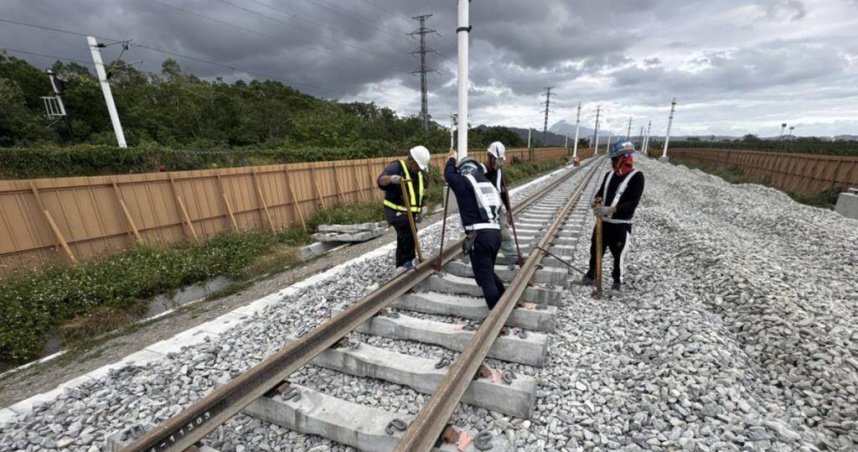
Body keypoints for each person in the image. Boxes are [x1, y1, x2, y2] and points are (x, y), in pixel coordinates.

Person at [444, 149, 506, 309]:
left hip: (480, 237)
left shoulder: (463, 182)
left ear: (463, 170)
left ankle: (497, 313)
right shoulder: (486, 183)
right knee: (487, 273)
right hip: (495, 234)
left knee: (485, 279)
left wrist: (451, 158)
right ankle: (504, 298)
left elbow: (449, 175)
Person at [581, 141, 645, 291]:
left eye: (615, 159)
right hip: (603, 222)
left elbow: (633, 202)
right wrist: (596, 202)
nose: (612, 163)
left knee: (618, 254)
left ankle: (617, 282)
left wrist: (611, 209)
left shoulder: (637, 177)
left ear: (625, 158)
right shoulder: (609, 175)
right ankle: (591, 275)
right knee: (595, 250)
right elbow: (601, 192)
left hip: (621, 224)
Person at [377, 146, 431, 270]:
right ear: (411, 161)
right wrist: (391, 179)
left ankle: (400, 265)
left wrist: (419, 210)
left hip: (410, 213)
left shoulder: (418, 174)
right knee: (409, 232)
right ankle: (408, 262)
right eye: (418, 166)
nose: (419, 170)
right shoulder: (396, 167)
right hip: (395, 210)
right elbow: (380, 180)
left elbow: (419, 194)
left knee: (403, 237)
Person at [483, 142, 519, 266]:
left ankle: (512, 257)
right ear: (489, 156)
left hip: (496, 208)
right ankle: (477, 257)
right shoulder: (481, 170)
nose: (498, 162)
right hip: (482, 209)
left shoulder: (500, 172)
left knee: (504, 232)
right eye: (496, 159)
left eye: (500, 159)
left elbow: (504, 192)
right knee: (481, 234)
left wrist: (508, 210)